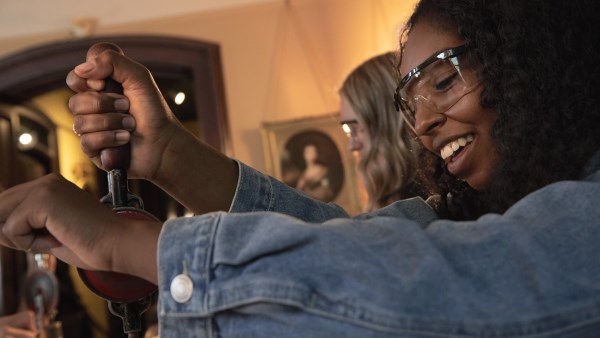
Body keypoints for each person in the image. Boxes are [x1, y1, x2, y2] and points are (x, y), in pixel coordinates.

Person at [1, 0, 600, 336]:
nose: (423, 123)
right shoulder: (473, 211)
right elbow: (349, 248)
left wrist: (130, 245)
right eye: (408, 102)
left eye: (444, 79)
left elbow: (447, 287)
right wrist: (169, 156)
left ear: (535, 63)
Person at [339, 52, 438, 211]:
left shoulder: (426, 199)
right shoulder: (399, 195)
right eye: (348, 130)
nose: (352, 146)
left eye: (355, 128)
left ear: (385, 122)